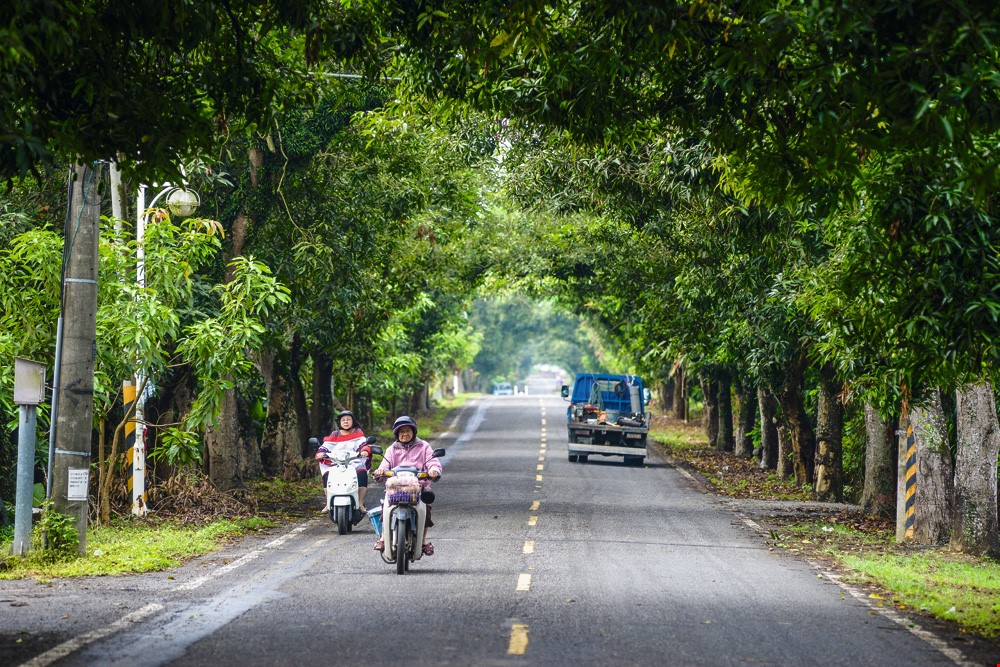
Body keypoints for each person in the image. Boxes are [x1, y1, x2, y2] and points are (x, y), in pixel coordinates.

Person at [373, 415, 442, 555]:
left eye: (408, 430)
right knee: (386, 504)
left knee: (425, 508)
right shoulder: (392, 449)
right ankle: (383, 538)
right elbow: (384, 465)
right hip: (395, 488)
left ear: (414, 431)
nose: (405, 434)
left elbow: (433, 462)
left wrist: (434, 471)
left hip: (419, 487)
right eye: (401, 431)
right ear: (397, 434)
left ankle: (423, 541)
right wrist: (380, 471)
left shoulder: (424, 446)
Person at [315, 410, 371, 516]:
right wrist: (321, 453)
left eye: (348, 419)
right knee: (327, 475)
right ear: (339, 422)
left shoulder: (358, 433)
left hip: (354, 462)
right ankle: (328, 502)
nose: (346, 422)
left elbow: (364, 444)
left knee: (362, 473)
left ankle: (360, 502)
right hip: (336, 463)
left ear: (353, 421)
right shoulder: (334, 434)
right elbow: (325, 446)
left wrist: (364, 451)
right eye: (343, 420)